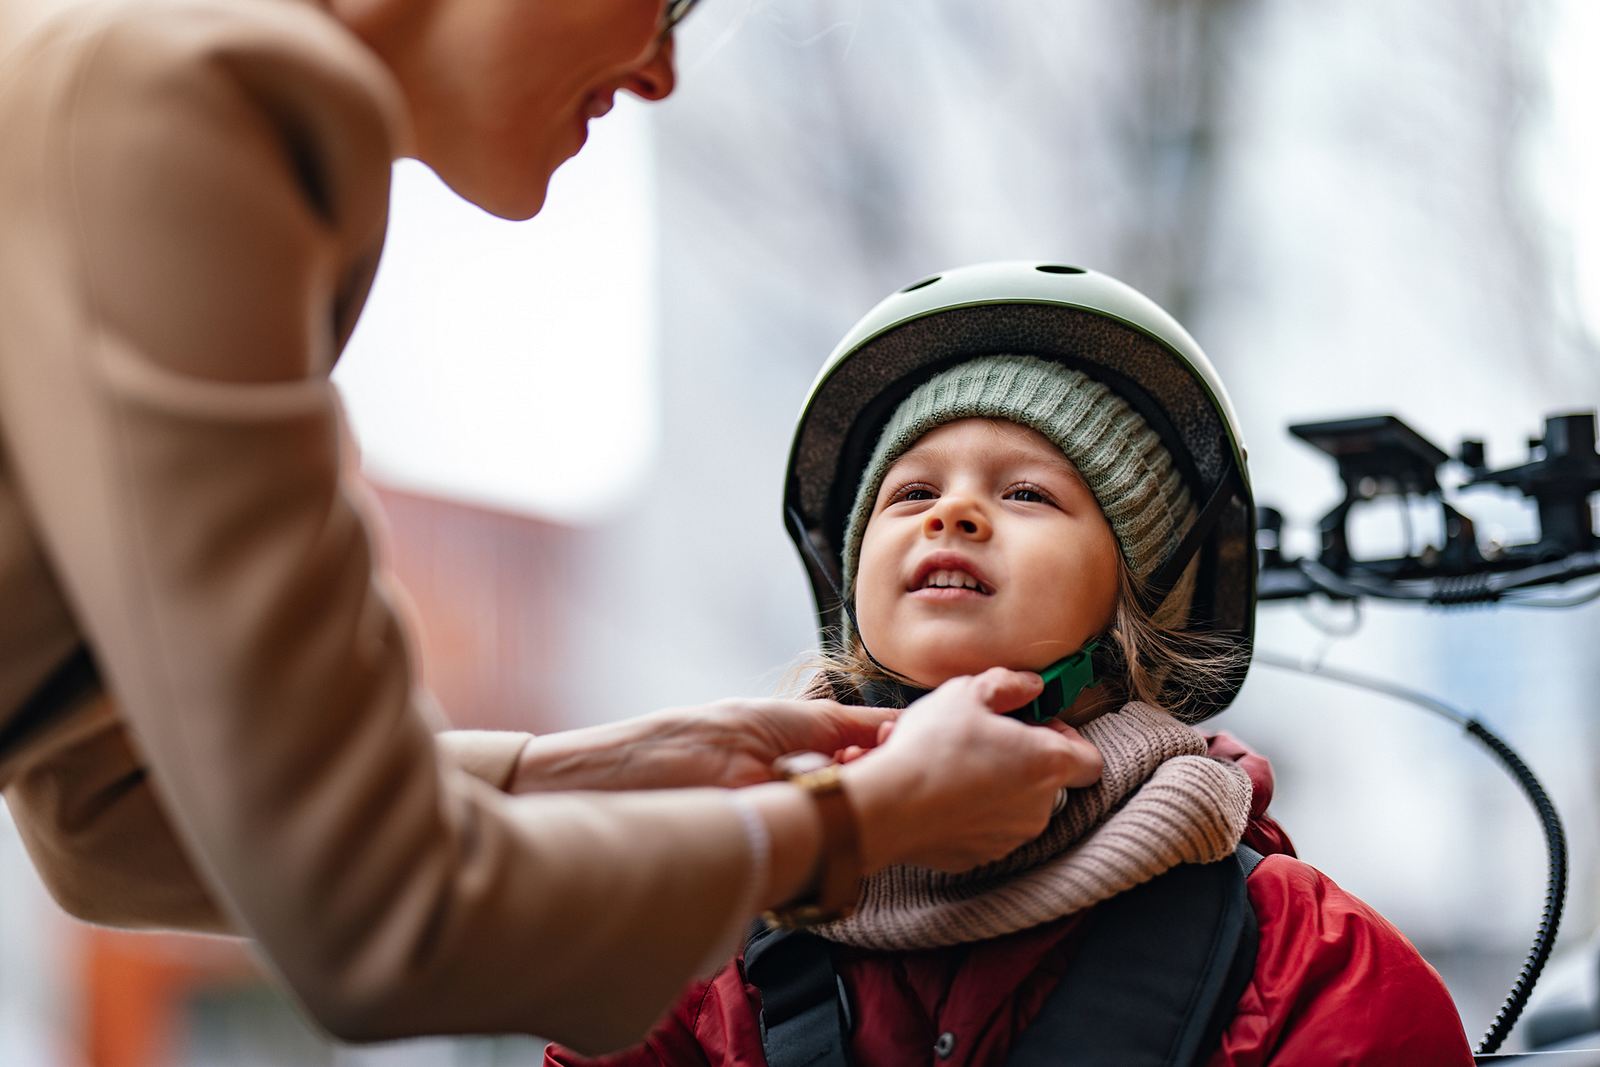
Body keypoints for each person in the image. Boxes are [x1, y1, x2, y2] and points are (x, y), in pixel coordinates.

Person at [0, 0, 1105, 1052]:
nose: (664, 72)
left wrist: (606, 765)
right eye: (669, 5)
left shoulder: (141, 63)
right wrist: (854, 825)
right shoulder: (193, 96)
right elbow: (381, 918)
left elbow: (111, 816)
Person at [544, 262, 1475, 1066]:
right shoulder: (706, 937)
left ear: (1135, 604)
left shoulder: (1306, 962)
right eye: (909, 491)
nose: (952, 514)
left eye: (1027, 491)